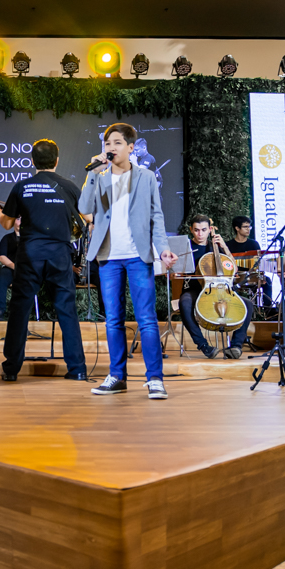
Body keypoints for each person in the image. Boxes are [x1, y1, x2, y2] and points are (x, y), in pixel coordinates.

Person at [79, 122, 177, 399]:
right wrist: (93, 175)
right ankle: (117, 376)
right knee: (113, 320)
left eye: (117, 143)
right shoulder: (99, 176)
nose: (110, 148)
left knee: (146, 319)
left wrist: (163, 249)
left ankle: (155, 379)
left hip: (138, 256)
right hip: (108, 257)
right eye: (107, 144)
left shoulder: (145, 177)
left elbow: (156, 216)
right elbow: (84, 208)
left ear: (131, 147)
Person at [0, 139, 88, 382]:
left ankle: (11, 369)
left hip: (30, 253)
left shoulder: (22, 186)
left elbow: (8, 224)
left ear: (32, 161)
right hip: (60, 254)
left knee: (20, 310)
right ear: (57, 160)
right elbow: (87, 219)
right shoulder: (70, 187)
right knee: (67, 310)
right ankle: (77, 370)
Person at [179, 215, 253, 359]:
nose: (200, 234)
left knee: (248, 304)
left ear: (210, 230)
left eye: (204, 230)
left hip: (220, 289)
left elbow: (234, 269)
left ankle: (236, 346)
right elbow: (176, 271)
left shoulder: (217, 248)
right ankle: (204, 346)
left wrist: (224, 247)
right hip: (195, 289)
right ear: (191, 230)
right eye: (196, 230)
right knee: (185, 302)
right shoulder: (186, 248)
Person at [225, 215, 271, 307]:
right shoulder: (228, 245)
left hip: (252, 275)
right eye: (245, 227)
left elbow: (258, 262)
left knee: (267, 281)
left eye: (249, 226)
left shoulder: (253, 244)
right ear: (237, 228)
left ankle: (267, 309)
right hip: (235, 277)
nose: (248, 229)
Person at [0, 217, 20, 321]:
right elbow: (2, 257)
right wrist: (16, 267)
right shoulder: (7, 238)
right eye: (18, 219)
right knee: (2, 275)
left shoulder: (31, 239)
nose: (21, 222)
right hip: (11, 269)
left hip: (28, 270)